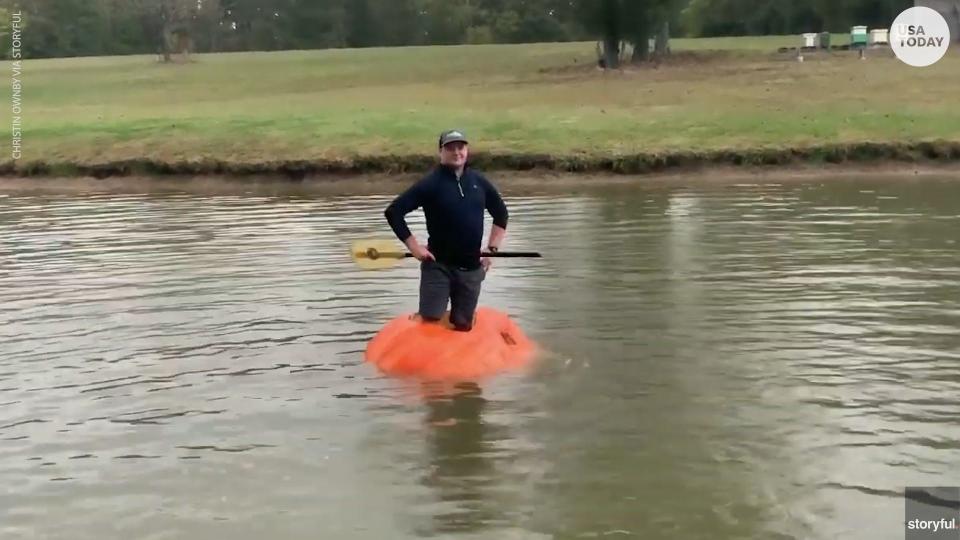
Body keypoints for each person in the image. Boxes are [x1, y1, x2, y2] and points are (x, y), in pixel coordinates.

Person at [384, 129, 508, 332]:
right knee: (430, 319)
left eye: (461, 147)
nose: (457, 152)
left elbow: (501, 214)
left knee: (463, 325)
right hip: (437, 265)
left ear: (467, 150)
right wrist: (414, 247)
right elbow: (394, 212)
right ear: (441, 152)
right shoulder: (430, 184)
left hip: (471, 268)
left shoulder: (479, 182)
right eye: (450, 148)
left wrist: (491, 249)